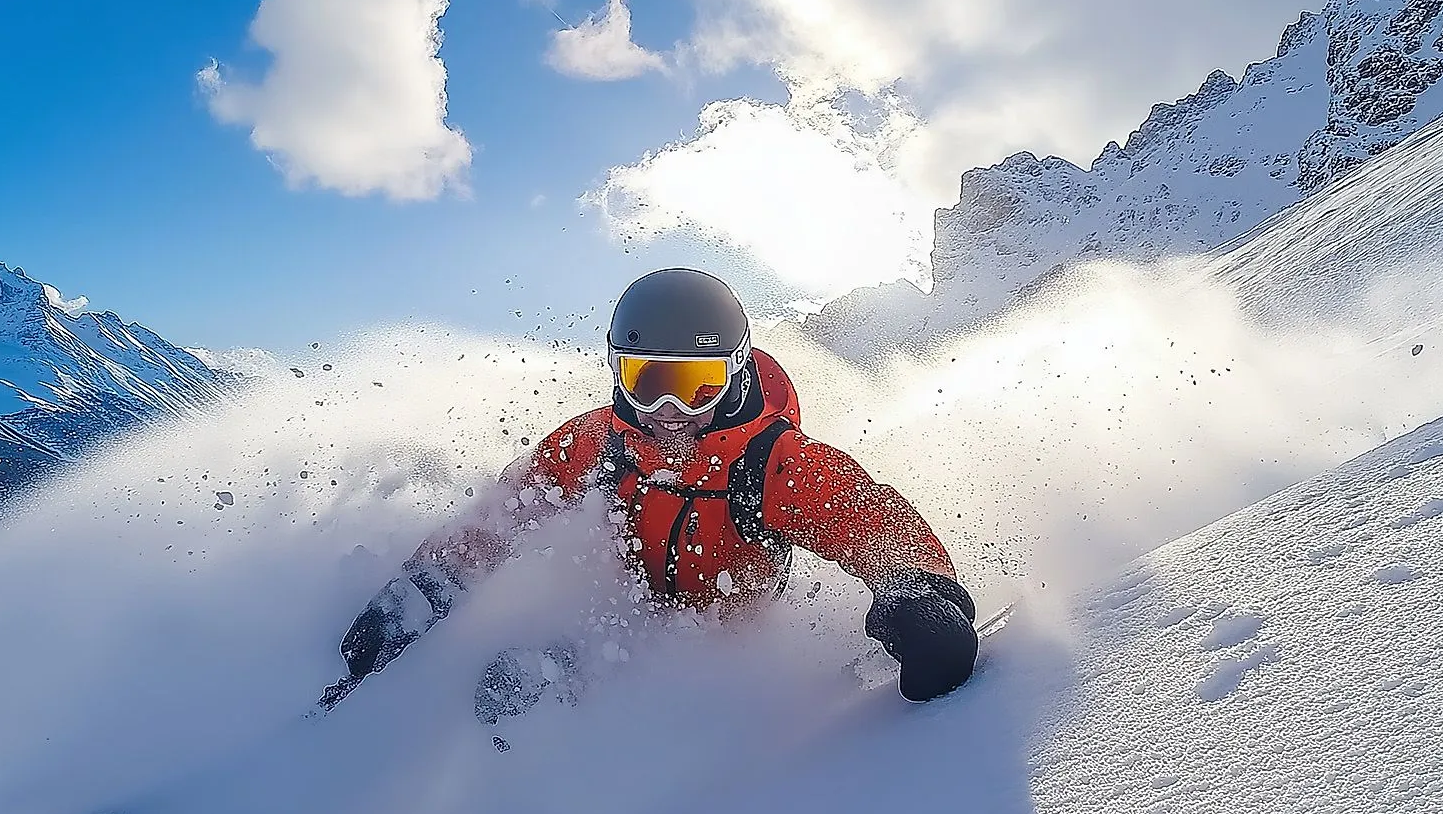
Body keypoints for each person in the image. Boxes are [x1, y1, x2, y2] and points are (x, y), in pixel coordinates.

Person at [337, 267, 980, 715]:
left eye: (698, 383)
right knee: (509, 689)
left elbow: (872, 522)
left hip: (725, 641)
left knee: (599, 687)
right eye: (647, 381)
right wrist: (417, 591)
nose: (670, 410)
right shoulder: (601, 442)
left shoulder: (771, 463)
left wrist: (923, 601)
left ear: (737, 373)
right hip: (626, 617)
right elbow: (504, 516)